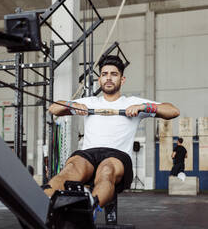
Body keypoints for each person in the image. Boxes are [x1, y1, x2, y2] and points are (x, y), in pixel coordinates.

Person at [44, 55, 180, 213]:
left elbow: (173, 111)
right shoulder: (89, 102)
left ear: (122, 80)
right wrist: (72, 105)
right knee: (71, 168)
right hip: (88, 155)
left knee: (106, 170)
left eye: (114, 74)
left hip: (117, 157)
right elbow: (54, 108)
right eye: (104, 74)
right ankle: (43, 204)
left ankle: (89, 210)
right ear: (100, 79)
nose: (108, 78)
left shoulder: (132, 102)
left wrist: (143, 107)